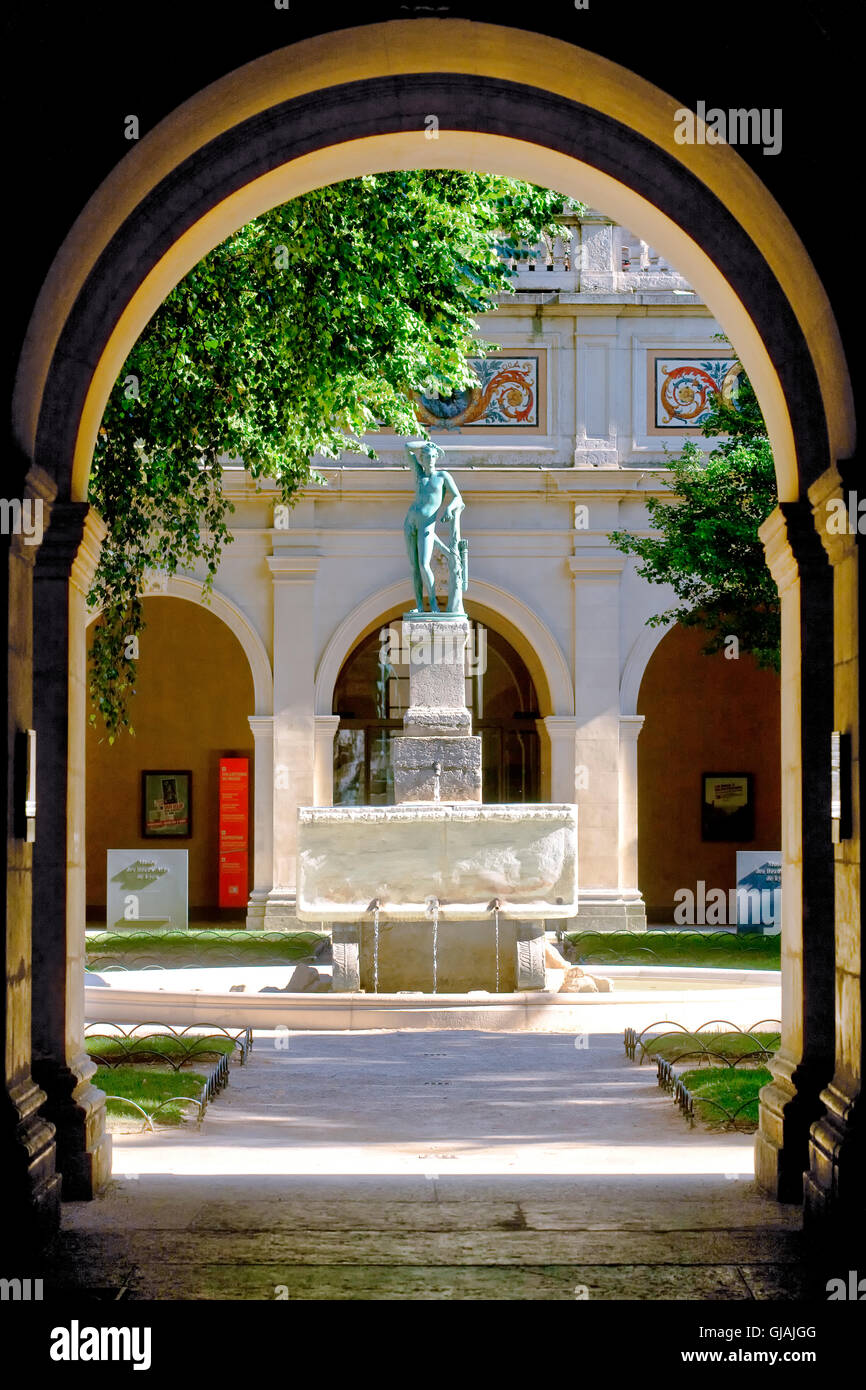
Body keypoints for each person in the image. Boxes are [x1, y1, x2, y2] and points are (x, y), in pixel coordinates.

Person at [403, 439, 465, 613]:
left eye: (432, 456)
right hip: (410, 522)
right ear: (421, 459)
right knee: (414, 566)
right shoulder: (419, 474)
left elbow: (458, 498)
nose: (429, 460)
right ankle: (420, 607)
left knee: (424, 564)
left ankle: (433, 604)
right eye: (426, 457)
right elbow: (407, 447)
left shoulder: (443, 476)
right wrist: (427, 443)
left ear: (436, 458)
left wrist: (449, 509)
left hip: (426, 525)